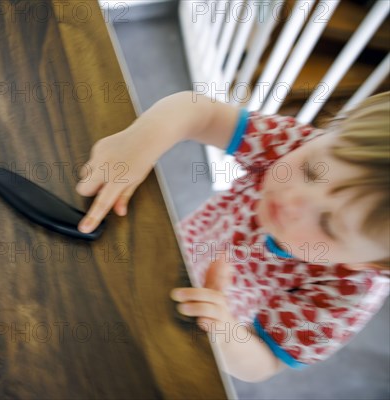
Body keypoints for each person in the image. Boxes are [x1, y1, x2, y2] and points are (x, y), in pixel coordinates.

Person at [75, 91, 390, 382]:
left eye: (328, 223)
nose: (294, 199)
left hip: (193, 317)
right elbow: (198, 112)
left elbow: (266, 362)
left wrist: (224, 332)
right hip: (168, 245)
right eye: (311, 170)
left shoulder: (347, 296)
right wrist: (137, 144)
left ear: (369, 263)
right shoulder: (296, 143)